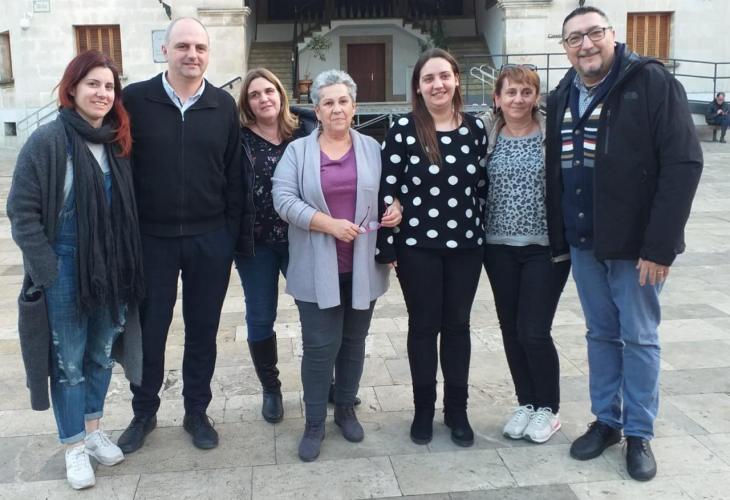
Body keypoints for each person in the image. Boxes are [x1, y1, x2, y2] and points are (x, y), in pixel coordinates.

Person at [546, 6, 702, 481]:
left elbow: (683, 164)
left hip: (637, 249)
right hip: (584, 242)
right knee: (600, 334)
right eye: (574, 38)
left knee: (639, 337)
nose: (585, 44)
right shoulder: (562, 93)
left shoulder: (652, 83)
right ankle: (607, 421)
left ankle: (638, 432)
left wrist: (660, 246)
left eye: (594, 32)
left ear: (613, 35)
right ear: (566, 48)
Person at [7, 50, 145, 490]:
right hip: (65, 266)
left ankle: (93, 430)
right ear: (72, 88)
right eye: (93, 84)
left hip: (112, 265)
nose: (102, 93)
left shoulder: (117, 141)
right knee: (68, 361)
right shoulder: (47, 141)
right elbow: (21, 213)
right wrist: (47, 271)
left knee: (101, 353)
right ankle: (73, 447)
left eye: (109, 86)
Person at [117, 17, 247, 453]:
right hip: (151, 241)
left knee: (203, 330)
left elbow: (234, 175)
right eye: (183, 46)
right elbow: (120, 166)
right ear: (165, 51)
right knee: (150, 331)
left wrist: (227, 238)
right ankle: (144, 412)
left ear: (208, 54)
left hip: (209, 240)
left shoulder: (222, 105)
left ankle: (196, 411)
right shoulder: (135, 100)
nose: (192, 54)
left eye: (200, 48)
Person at [272, 69, 401, 461]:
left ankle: (345, 409)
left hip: (363, 266)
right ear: (317, 111)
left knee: (353, 343)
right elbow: (283, 199)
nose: (336, 108)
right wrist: (327, 224)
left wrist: (396, 206)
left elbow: (392, 189)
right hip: (315, 266)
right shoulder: (298, 152)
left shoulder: (372, 148)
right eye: (328, 102)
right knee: (319, 347)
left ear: (354, 106)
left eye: (343, 101)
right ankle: (314, 422)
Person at [376, 48, 488, 448]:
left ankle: (457, 410)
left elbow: (483, 187)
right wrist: (387, 245)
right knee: (423, 327)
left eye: (444, 76)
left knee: (458, 326)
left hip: (466, 246)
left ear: (456, 79)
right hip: (417, 247)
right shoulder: (404, 129)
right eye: (428, 78)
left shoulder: (475, 129)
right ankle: (423, 409)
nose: (437, 84)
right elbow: (387, 189)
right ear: (418, 87)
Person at [478, 65, 570, 444]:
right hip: (498, 248)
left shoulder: (552, 134)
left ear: (536, 97)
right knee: (511, 330)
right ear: (497, 98)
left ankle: (549, 408)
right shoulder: (486, 135)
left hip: (544, 249)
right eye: (511, 92)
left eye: (526, 92)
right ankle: (527, 402)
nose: (518, 99)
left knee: (534, 330)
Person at [234, 68, 316, 423]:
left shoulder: (306, 129)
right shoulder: (237, 137)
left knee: (315, 312)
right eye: (254, 95)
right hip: (255, 244)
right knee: (260, 316)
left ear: (281, 94)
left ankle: (322, 381)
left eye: (269, 91)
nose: (263, 99)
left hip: (302, 238)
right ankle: (271, 388)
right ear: (247, 103)